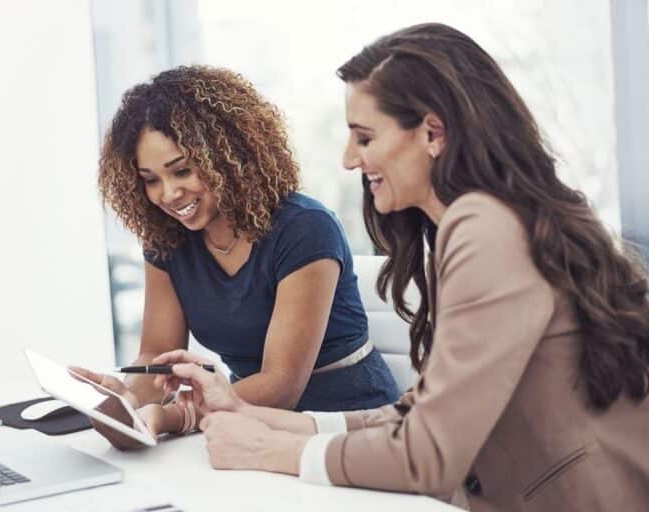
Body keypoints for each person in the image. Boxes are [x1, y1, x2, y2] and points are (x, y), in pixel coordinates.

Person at [137, 24, 649, 511]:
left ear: (432, 132)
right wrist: (255, 418)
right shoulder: (484, 222)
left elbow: (430, 454)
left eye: (364, 137)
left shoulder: (485, 230)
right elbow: (415, 415)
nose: (348, 159)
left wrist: (271, 452)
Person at [81, 65, 399, 448]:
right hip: (240, 421)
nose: (168, 193)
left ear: (226, 155)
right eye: (150, 179)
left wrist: (174, 416)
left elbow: (282, 385)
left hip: (347, 424)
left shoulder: (305, 228)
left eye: (181, 170)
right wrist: (127, 401)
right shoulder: (167, 240)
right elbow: (155, 356)